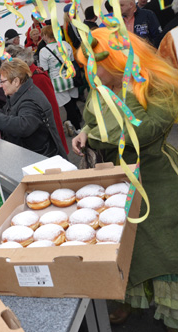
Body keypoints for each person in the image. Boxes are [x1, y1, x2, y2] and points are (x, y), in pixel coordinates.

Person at [73, 27, 178, 331]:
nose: (88, 71)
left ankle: (171, 312)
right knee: (125, 247)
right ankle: (130, 300)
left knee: (163, 248)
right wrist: (84, 130)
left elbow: (143, 131)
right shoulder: (99, 88)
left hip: (156, 183)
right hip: (117, 184)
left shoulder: (155, 84)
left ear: (117, 59)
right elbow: (93, 119)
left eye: (94, 63)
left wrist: (95, 134)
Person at [0, 59, 68, 158]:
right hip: (34, 153)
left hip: (41, 157)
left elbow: (23, 125)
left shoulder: (29, 100)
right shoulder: (19, 94)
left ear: (16, 81)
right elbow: (6, 113)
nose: (0, 85)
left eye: (3, 81)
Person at [5, 45, 69, 153]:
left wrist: (57, 141)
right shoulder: (28, 77)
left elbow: (51, 112)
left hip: (47, 137)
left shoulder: (38, 78)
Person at [39, 25, 82, 137]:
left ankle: (77, 128)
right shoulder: (66, 44)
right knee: (72, 104)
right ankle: (70, 123)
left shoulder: (44, 51)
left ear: (45, 35)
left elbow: (45, 69)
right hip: (71, 77)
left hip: (58, 82)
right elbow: (72, 60)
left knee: (69, 106)